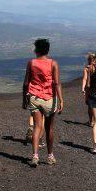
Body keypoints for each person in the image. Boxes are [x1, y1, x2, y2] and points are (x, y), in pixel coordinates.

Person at [22, 38, 63, 167]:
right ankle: (50, 156)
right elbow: (56, 83)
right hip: (49, 98)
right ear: (47, 49)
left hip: (34, 97)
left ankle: (35, 156)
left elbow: (26, 83)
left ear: (36, 50)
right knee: (49, 128)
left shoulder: (32, 63)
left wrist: (24, 99)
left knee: (37, 126)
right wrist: (61, 100)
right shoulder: (53, 63)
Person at [80, 52, 96, 126]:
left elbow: (84, 79)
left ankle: (91, 121)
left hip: (89, 89)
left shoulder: (87, 68)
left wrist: (83, 88)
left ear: (88, 59)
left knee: (90, 104)